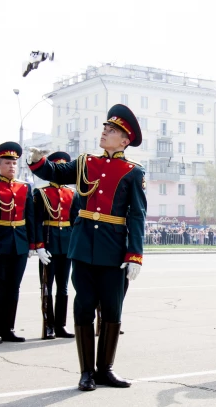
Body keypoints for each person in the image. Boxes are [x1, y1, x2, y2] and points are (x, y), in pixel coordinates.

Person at [28, 104, 146, 391]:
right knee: (83, 308)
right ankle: (86, 373)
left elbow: (136, 215)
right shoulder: (84, 162)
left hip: (113, 250)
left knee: (112, 310)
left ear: (124, 140)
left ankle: (105, 369)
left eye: (112, 130)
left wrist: (135, 255)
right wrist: (38, 162)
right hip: (82, 248)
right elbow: (56, 171)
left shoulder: (133, 172)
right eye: (105, 128)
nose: (105, 132)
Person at [0, 142, 35, 344]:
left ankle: (8, 328)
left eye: (14, 163)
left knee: (13, 288)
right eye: (7, 163)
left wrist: (33, 244)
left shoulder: (24, 187)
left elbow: (30, 218)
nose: (12, 166)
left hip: (19, 243)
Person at [33, 151, 80, 339]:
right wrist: (39, 245)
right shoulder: (41, 193)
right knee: (47, 286)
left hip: (66, 244)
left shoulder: (72, 194)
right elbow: (36, 221)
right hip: (49, 241)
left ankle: (61, 324)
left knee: (63, 287)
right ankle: (48, 325)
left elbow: (75, 221)